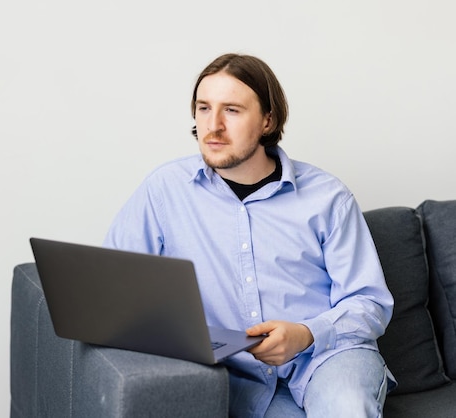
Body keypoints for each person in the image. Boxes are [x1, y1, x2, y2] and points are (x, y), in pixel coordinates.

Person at [102, 53, 396, 417]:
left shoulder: (328, 197)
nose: (213, 126)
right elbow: (114, 285)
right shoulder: (165, 190)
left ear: (267, 120)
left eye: (232, 111)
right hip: (238, 376)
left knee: (347, 408)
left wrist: (305, 333)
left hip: (327, 357)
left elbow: (369, 303)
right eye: (204, 108)